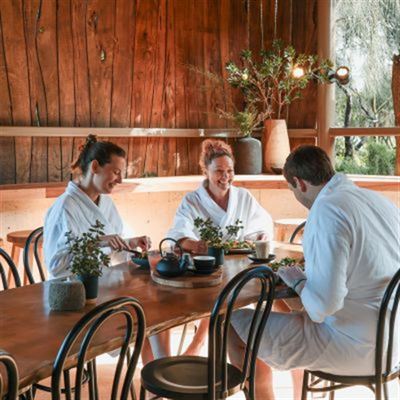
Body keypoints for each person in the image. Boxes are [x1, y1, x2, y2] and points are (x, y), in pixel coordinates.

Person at [229, 145, 400, 400]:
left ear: (299, 183)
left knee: (229, 320)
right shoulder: (377, 202)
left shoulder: (328, 210)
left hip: (356, 347)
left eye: (291, 189)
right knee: (289, 308)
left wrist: (297, 281)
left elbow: (323, 306)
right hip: (393, 341)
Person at [167, 139, 273, 355]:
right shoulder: (192, 201)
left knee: (270, 282)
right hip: (206, 268)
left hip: (240, 265)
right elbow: (179, 234)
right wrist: (195, 245)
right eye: (219, 171)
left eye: (230, 171)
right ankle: (200, 342)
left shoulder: (243, 197)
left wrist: (260, 234)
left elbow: (261, 224)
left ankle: (273, 341)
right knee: (218, 293)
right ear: (205, 171)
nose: (225, 177)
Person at [44, 134, 151, 279]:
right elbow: (56, 267)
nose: (120, 180)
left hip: (103, 282)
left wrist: (131, 243)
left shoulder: (106, 202)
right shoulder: (65, 206)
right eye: (116, 172)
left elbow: (110, 250)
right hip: (72, 291)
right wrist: (98, 241)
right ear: (95, 166)